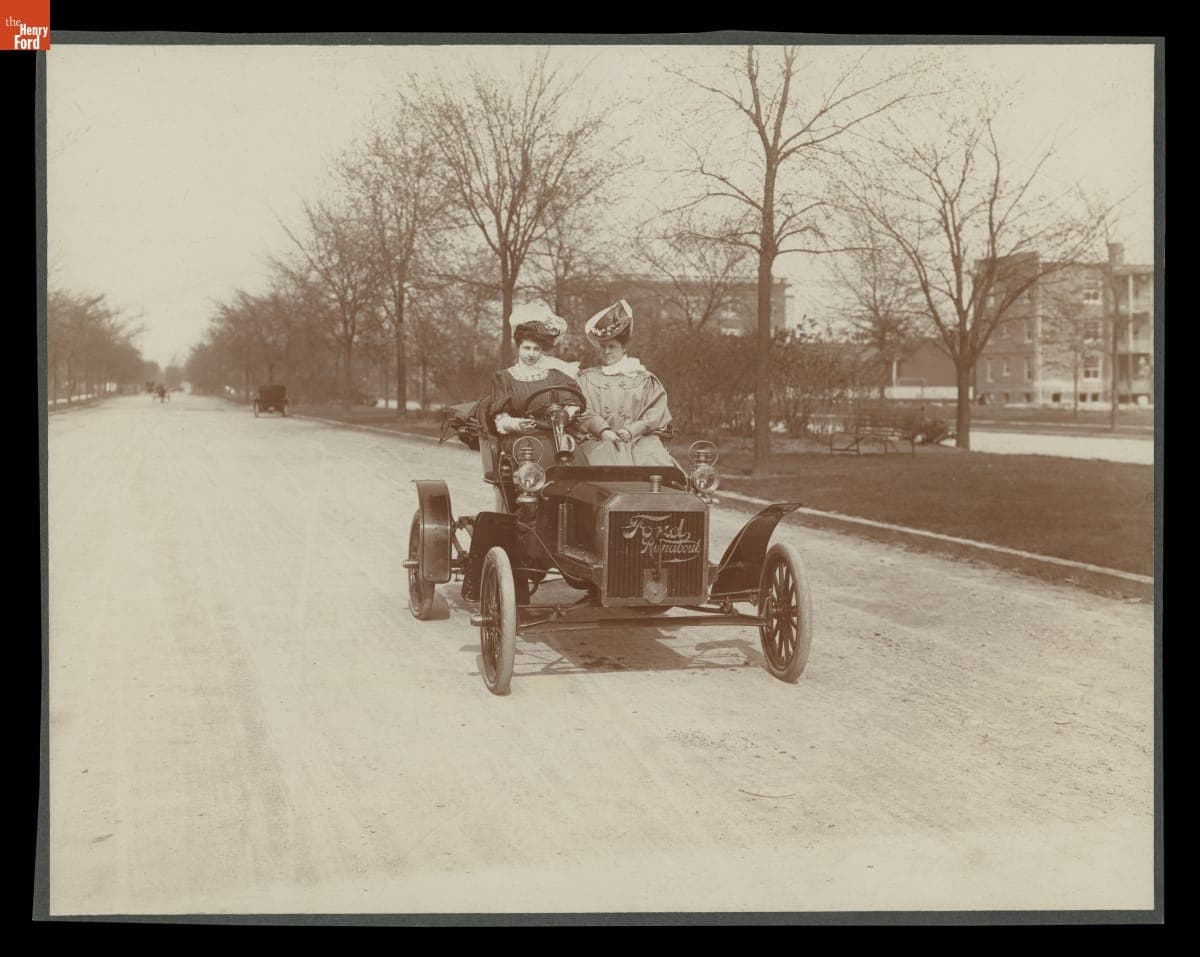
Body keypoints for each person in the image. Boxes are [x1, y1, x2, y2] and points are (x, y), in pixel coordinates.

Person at [575, 300, 676, 468]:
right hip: (598, 442)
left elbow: (655, 413)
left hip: (640, 442)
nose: (607, 352)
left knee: (658, 472)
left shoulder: (643, 379)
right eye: (603, 347)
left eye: (612, 347)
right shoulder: (586, 378)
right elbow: (581, 410)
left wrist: (632, 430)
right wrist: (603, 430)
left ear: (624, 348)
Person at [486, 302, 580, 444]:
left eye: (536, 349)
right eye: (527, 348)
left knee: (574, 461)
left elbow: (574, 403)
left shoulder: (554, 376)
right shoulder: (504, 378)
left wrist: (564, 415)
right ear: (518, 347)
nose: (531, 354)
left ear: (541, 350)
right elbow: (500, 418)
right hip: (520, 438)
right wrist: (516, 424)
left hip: (554, 437)